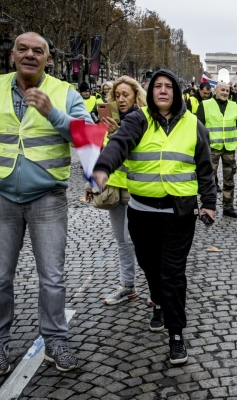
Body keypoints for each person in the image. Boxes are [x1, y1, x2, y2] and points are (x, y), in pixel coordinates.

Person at [0, 32, 92, 376]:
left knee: (52, 278)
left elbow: (89, 138)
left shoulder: (65, 93)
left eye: (38, 51)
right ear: (12, 55)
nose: (30, 55)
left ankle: (56, 340)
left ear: (48, 60)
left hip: (48, 200)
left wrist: (54, 114)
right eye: (23, 49)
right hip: (0, 199)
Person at [92, 69, 216, 365]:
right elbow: (118, 144)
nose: (162, 90)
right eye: (157, 86)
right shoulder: (137, 119)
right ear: (150, 92)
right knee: (149, 265)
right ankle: (157, 300)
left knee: (173, 273)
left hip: (180, 212)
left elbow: (205, 167)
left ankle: (176, 333)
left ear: (176, 91)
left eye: (168, 86)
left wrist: (209, 203)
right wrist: (103, 167)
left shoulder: (194, 125)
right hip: (142, 211)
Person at [85, 76, 147, 305]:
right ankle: (127, 285)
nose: (120, 100)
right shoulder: (107, 120)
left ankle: (155, 286)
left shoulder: (142, 120)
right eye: (116, 95)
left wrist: (115, 133)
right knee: (121, 240)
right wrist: (90, 184)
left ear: (136, 96)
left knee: (136, 240)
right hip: (113, 187)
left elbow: (133, 150)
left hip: (136, 186)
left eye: (125, 95)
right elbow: (98, 152)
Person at [196, 82, 237, 218]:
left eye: (227, 90)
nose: (225, 92)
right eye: (222, 90)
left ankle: (228, 207)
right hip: (211, 148)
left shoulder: (233, 105)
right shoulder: (205, 105)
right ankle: (207, 206)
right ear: (215, 91)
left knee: (229, 180)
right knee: (209, 179)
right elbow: (198, 126)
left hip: (229, 148)